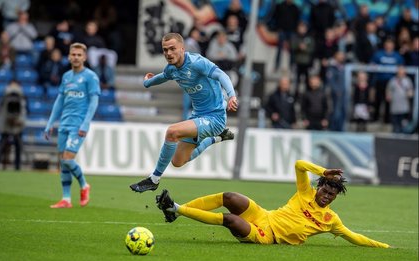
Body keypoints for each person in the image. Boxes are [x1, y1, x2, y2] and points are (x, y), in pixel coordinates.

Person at [155, 160, 390, 248]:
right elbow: (299, 165)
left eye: (332, 195)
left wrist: (383, 247)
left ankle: (175, 208)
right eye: (326, 190)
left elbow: (354, 237)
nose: (327, 196)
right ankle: (176, 211)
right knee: (230, 196)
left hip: (267, 235)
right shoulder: (305, 191)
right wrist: (322, 171)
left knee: (229, 219)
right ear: (319, 187)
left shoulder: (331, 220)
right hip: (264, 216)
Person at [129, 33, 238, 193]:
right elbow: (163, 77)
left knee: (172, 132)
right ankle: (218, 138)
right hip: (197, 116)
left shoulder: (197, 62)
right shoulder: (172, 69)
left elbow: (222, 75)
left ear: (182, 48)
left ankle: (153, 179)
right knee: (178, 161)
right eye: (165, 50)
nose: (168, 53)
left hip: (215, 117)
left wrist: (232, 95)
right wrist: (148, 83)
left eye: (172, 49)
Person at [44, 43, 101, 208]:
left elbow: (93, 102)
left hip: (78, 125)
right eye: (73, 54)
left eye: (79, 55)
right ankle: (66, 199)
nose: (76, 57)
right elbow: (59, 101)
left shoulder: (91, 77)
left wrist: (85, 123)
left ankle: (84, 185)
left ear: (84, 57)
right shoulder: (67, 76)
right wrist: (50, 123)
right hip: (64, 123)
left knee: (68, 159)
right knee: (63, 162)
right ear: (69, 56)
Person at [0, 80, 26, 170]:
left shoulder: (22, 99)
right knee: (2, 145)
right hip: (5, 125)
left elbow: (25, 111)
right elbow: (2, 111)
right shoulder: (5, 97)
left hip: (17, 126)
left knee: (18, 146)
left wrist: (19, 121)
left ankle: (17, 166)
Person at [386, 66, 413, 134]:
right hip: (395, 105)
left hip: (404, 106)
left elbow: (411, 91)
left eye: (402, 72)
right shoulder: (393, 80)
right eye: (399, 72)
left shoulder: (407, 81)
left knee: (403, 124)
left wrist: (410, 93)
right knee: (395, 124)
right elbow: (388, 90)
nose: (401, 74)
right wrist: (388, 95)